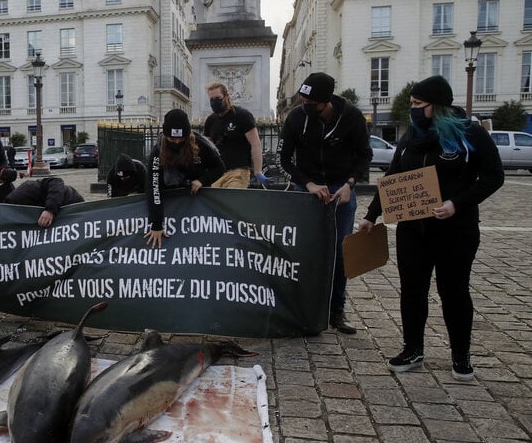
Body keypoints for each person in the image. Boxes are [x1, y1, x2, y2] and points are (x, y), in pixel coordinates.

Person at [356, 75, 503, 380]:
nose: (412, 108)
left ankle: (461, 355)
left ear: (436, 106)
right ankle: (413, 348)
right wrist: (372, 215)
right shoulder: (411, 135)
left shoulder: (470, 134)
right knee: (412, 290)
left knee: (454, 291)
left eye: (417, 103)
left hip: (455, 230)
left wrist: (457, 203)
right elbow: (394, 178)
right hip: (413, 229)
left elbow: (493, 176)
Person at [279, 72, 372, 335]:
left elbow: (365, 156)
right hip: (306, 188)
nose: (304, 105)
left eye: (311, 102)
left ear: (326, 101)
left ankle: (336, 310)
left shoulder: (351, 117)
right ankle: (303, 308)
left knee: (340, 253)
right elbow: (284, 160)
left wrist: (349, 184)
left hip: (340, 189)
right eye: (303, 99)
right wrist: (307, 184)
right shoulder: (296, 118)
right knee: (303, 251)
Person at [145, 109, 225, 248]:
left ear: (187, 136)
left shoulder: (201, 144)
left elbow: (219, 167)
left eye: (181, 139)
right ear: (165, 135)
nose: (176, 142)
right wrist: (156, 224)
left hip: (198, 196)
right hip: (170, 194)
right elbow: (154, 187)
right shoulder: (158, 150)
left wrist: (202, 180)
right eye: (172, 139)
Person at [203, 81, 268, 189]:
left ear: (227, 96)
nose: (215, 102)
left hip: (238, 172)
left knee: (231, 202)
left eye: (218, 98)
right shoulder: (210, 120)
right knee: (216, 205)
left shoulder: (242, 115)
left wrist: (258, 171)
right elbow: (206, 147)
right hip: (217, 173)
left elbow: (255, 144)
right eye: (212, 99)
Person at [5, 176, 85, 227]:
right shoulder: (14, 206)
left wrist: (49, 210)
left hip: (72, 204)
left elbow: (56, 181)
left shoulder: (25, 191)